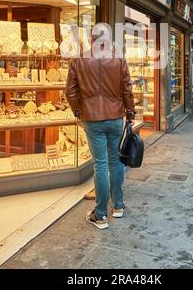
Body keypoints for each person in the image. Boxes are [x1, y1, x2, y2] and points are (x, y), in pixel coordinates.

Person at [65, 24, 135, 230]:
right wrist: (130, 113)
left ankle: (101, 215)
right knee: (115, 162)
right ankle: (119, 206)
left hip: (92, 118)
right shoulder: (118, 59)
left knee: (101, 165)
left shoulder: (78, 60)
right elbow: (127, 89)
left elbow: (70, 92)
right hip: (115, 117)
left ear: (91, 39)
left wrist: (78, 111)